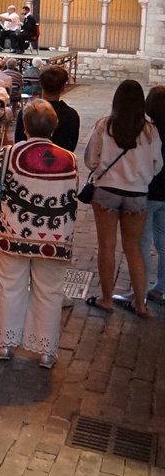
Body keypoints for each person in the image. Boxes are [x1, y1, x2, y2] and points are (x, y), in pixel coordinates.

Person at [0, 100, 78, 368]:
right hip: (55, 240)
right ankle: (46, 351)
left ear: (24, 126)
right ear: (54, 128)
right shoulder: (70, 159)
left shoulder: (9, 154)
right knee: (50, 291)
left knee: (11, 288)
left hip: (13, 236)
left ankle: (6, 345)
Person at [82, 80, 163, 316]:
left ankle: (106, 299)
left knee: (106, 246)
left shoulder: (105, 125)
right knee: (134, 248)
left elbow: (90, 159)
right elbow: (157, 164)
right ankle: (140, 303)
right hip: (137, 194)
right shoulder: (150, 131)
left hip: (106, 191)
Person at [13, 66, 78, 151]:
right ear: (63, 88)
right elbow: (71, 145)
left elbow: (19, 141)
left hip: (28, 159)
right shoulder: (71, 115)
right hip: (59, 160)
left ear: (41, 85)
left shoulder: (26, 112)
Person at [143, 86, 165, 306]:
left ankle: (138, 289)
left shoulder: (149, 132)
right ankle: (162, 287)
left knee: (142, 242)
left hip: (150, 191)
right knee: (163, 242)